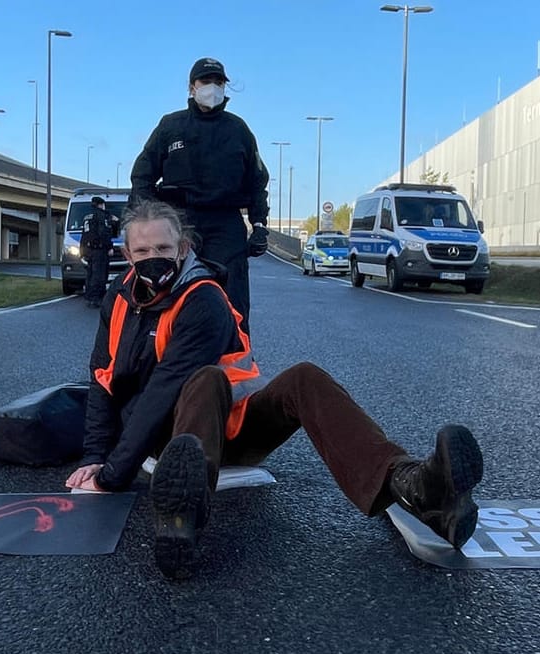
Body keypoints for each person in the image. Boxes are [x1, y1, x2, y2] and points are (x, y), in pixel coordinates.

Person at [65, 200, 483, 579]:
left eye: (162, 249)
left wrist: (113, 476)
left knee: (301, 377)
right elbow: (101, 379)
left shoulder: (203, 301)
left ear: (184, 248)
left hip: (228, 429)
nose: (153, 259)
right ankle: (180, 518)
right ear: (127, 255)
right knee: (206, 380)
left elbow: (166, 387)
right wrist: (97, 458)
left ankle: (419, 488)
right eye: (142, 252)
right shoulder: (117, 300)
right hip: (169, 444)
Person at [130, 57, 269, 333]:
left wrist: (260, 225)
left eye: (218, 82)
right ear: (192, 87)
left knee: (233, 303)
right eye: (206, 81)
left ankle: (234, 368)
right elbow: (142, 176)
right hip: (179, 223)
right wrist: (148, 223)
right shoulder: (170, 127)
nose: (212, 88)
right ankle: (167, 362)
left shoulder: (238, 130)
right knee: (170, 296)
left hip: (225, 225)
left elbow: (257, 181)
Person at [80, 196, 120, 308]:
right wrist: (109, 247)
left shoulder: (87, 217)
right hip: (100, 249)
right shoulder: (101, 216)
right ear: (101, 204)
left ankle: (89, 296)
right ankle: (97, 299)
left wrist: (82, 250)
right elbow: (104, 233)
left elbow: (84, 234)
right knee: (100, 275)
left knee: (91, 274)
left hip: (89, 249)